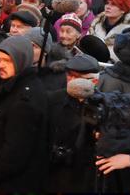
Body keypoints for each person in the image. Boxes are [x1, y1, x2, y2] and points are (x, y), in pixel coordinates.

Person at [0, 35, 47, 192]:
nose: (1, 65)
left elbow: (14, 154)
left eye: (8, 61)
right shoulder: (12, 87)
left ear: (22, 60)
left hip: (11, 185)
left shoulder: (25, 99)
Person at [44, 54, 101, 191]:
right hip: (55, 172)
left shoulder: (102, 104)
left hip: (86, 174)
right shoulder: (53, 100)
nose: (72, 81)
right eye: (70, 75)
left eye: (78, 78)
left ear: (93, 81)